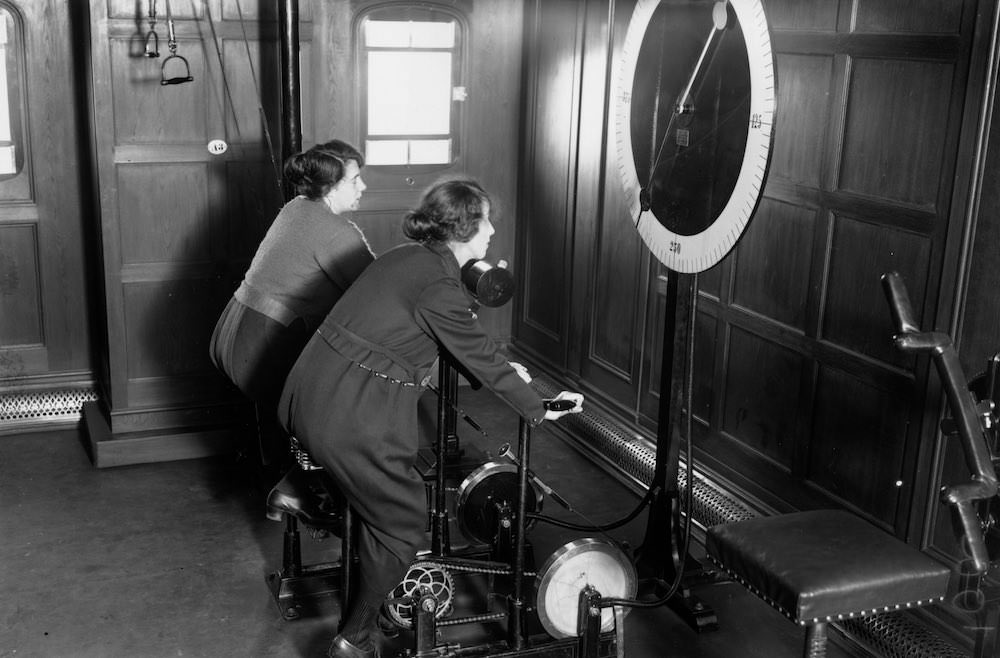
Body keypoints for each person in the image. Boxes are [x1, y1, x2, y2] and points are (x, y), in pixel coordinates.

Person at [277, 178, 584, 658]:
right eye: (485, 221)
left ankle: (303, 486)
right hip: (352, 413)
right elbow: (475, 348)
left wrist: (493, 352)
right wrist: (539, 406)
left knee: (375, 511)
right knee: (401, 527)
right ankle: (352, 641)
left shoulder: (408, 258)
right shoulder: (437, 286)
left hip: (310, 396)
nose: (492, 231)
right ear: (463, 228)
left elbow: (437, 331)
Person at [210, 139, 373, 466]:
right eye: (354, 181)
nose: (363, 186)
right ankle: (308, 483)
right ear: (330, 187)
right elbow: (376, 293)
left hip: (231, 336)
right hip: (260, 347)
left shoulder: (297, 207)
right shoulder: (336, 232)